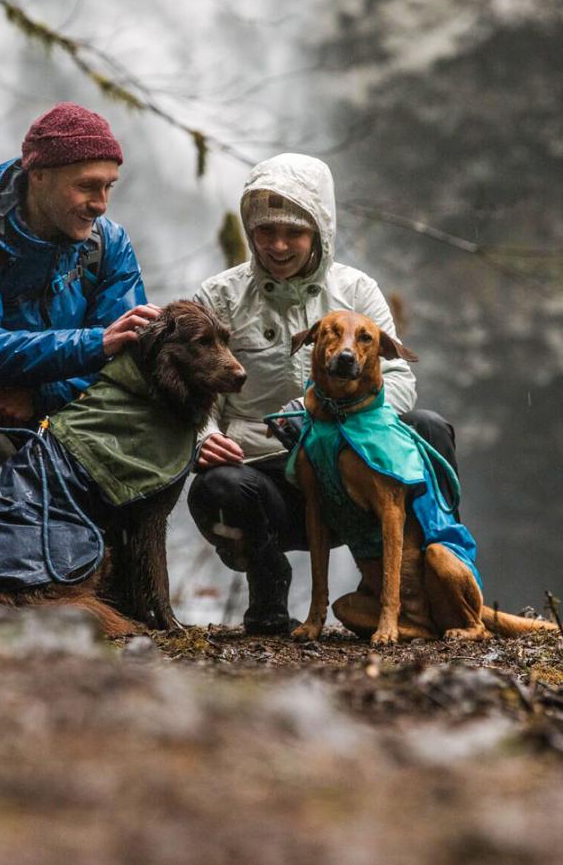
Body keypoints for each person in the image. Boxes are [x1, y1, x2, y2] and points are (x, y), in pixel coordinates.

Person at [188, 153, 459, 635]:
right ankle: (268, 594)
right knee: (217, 488)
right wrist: (204, 437)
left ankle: (436, 581)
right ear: (249, 231)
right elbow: (191, 392)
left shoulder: (357, 290)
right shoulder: (219, 298)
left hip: (354, 467)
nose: (278, 245)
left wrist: (335, 419)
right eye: (265, 231)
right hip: (267, 475)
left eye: (294, 232)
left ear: (319, 231)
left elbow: (399, 378)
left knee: (429, 429)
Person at [0, 103, 159, 525]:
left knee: (149, 448)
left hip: (64, 416)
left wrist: (39, 396)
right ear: (38, 175)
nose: (101, 204)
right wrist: (94, 343)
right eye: (87, 186)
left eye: (109, 186)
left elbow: (126, 361)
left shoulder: (109, 245)